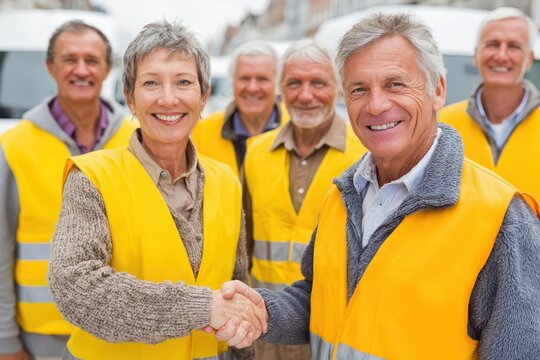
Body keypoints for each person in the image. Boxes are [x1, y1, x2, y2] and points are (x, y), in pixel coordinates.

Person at [216, 12, 540, 359]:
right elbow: (323, 300)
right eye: (359, 89)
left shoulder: (504, 221)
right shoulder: (343, 194)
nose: (376, 105)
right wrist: (264, 310)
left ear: (438, 91)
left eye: (395, 84)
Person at [47, 21, 265, 360]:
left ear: (204, 96)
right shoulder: (91, 177)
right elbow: (74, 285)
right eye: (151, 83)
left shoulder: (226, 181)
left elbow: (236, 291)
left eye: (183, 82)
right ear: (129, 98)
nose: (168, 98)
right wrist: (200, 307)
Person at [0, 20, 137, 360]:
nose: (81, 70)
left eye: (91, 60)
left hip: (123, 331)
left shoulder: (137, 142)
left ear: (107, 68)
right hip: (43, 337)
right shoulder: (13, 146)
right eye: (69, 59)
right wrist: (5, 340)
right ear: (51, 67)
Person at [243, 38, 364, 359]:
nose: (306, 94)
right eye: (295, 83)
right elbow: (244, 245)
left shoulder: (366, 154)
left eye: (318, 83)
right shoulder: (256, 152)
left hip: (329, 333)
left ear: (338, 89)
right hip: (264, 328)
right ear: (281, 90)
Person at [439, 7, 540, 201]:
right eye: (493, 44)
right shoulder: (442, 125)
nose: (502, 55)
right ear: (476, 55)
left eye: (513, 46)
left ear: (529, 60)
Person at [191, 41, 289, 177]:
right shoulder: (202, 131)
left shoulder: (295, 129)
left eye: (262, 79)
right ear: (232, 82)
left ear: (278, 83)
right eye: (244, 79)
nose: (252, 88)